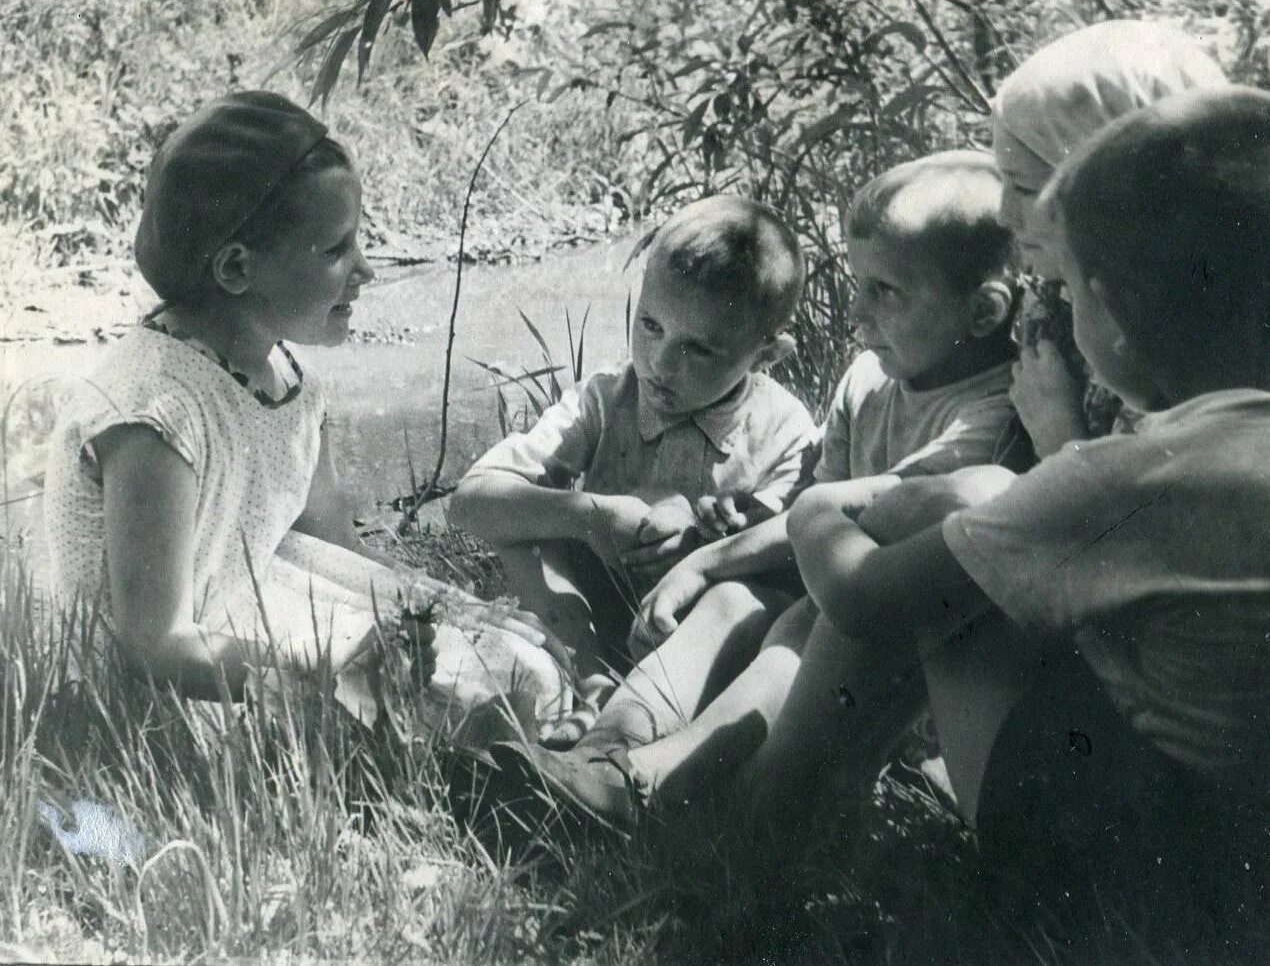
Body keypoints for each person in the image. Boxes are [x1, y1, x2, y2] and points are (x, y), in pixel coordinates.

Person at [746, 86, 1270, 941]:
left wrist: (814, 509)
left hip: (1146, 876)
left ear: (1117, 323)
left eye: (1066, 294)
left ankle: (761, 820)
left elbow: (866, 600)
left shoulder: (1130, 475)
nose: (1053, 311)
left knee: (964, 542)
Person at [490, 151, 1025, 821]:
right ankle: (599, 750)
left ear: (981, 313)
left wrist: (713, 556)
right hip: (841, 610)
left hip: (907, 670)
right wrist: (710, 562)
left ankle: (650, 785)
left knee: (802, 624)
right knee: (734, 601)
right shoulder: (868, 379)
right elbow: (810, 510)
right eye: (857, 286)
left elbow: (870, 511)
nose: (856, 314)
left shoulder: (998, 414)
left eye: (883, 292)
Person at [43, 91, 568, 737]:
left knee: (522, 665)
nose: (366, 270)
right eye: (335, 250)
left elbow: (331, 545)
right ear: (237, 267)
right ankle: (528, 766)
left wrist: (453, 611)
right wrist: (336, 666)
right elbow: (156, 642)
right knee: (466, 704)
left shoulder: (290, 384)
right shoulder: (157, 414)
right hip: (174, 695)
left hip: (255, 607)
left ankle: (538, 747)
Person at [450, 195, 818, 745]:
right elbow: (468, 503)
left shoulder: (786, 433)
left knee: (758, 599)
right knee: (528, 533)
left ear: (768, 356)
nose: (661, 363)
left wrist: (707, 542)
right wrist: (589, 515)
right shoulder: (605, 398)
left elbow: (794, 557)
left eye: (699, 350)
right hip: (593, 617)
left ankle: (645, 722)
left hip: (694, 638)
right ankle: (589, 680)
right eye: (649, 325)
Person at [993, 19, 1226, 457]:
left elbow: (1158, 510)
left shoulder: (1202, 338)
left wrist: (1061, 438)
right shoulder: (1049, 298)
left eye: (1025, 188)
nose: (1004, 215)